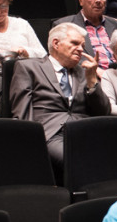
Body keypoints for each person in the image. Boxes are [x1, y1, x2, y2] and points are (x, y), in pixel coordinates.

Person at [10, 22, 111, 165]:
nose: (81, 49)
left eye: (82, 45)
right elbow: (22, 111)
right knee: (81, 159)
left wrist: (92, 80)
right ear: (56, 43)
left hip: (84, 131)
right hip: (50, 133)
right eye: (75, 43)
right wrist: (30, 141)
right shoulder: (29, 67)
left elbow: (104, 111)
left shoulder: (84, 72)